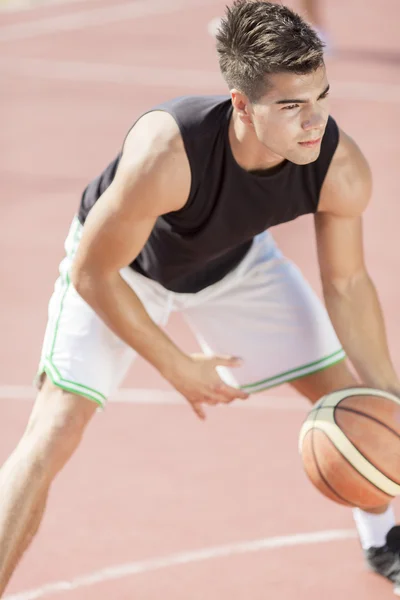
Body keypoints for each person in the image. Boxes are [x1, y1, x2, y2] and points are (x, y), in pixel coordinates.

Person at [0, 0, 399, 595]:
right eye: (291, 106)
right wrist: (175, 363)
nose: (314, 122)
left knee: (356, 399)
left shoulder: (337, 164)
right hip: (124, 270)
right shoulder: (170, 153)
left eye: (321, 97)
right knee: (52, 431)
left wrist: (386, 396)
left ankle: (384, 541)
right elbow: (93, 273)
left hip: (235, 266)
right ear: (241, 104)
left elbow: (346, 282)